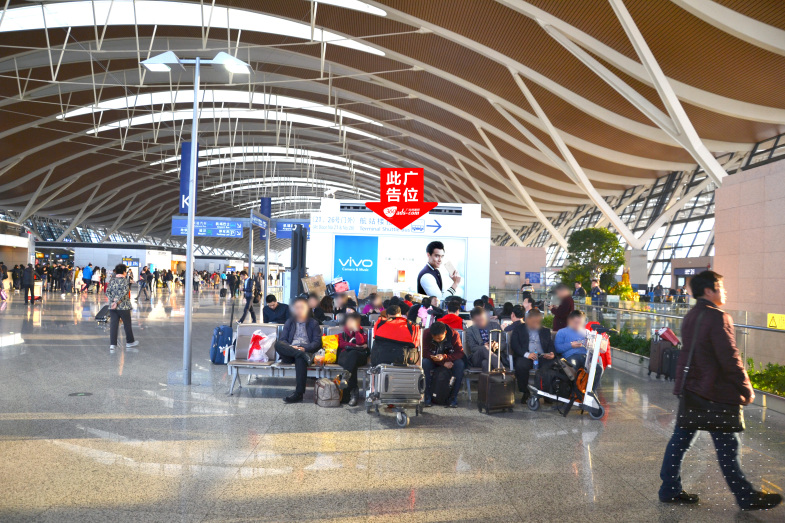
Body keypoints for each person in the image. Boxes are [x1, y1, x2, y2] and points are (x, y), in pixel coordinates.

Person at [658, 271, 782, 510]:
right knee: (727, 447)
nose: (724, 292)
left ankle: (669, 489)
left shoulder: (691, 315)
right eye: (721, 287)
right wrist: (745, 387)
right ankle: (745, 497)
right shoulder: (718, 317)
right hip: (714, 393)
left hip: (691, 390)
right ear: (709, 290)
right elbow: (729, 357)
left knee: (680, 441)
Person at [274, 297, 322, 403]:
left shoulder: (313, 323)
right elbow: (283, 340)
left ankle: (299, 394)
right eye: (297, 308)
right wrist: (292, 347)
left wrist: (304, 348)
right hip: (290, 352)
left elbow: (317, 342)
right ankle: (301, 354)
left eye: (302, 307)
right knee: (278, 344)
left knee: (300, 358)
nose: (299, 310)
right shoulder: (290, 322)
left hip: (305, 351)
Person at [510, 309, 555, 401]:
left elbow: (550, 345)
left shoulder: (545, 331)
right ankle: (525, 391)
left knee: (549, 367)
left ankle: (546, 393)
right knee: (521, 365)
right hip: (526, 355)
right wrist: (527, 354)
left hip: (542, 356)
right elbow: (515, 345)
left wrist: (551, 354)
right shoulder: (519, 329)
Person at [554, 310, 603, 390]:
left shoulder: (587, 332)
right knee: (572, 367)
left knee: (598, 368)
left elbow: (593, 348)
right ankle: (574, 392)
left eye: (580, 323)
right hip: (570, 356)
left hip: (585, 357)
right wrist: (571, 345)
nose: (578, 325)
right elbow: (557, 348)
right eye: (575, 322)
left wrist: (591, 345)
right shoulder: (562, 332)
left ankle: (591, 391)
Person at [422, 321, 465, 408]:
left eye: (440, 338)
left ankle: (453, 398)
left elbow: (460, 353)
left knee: (460, 364)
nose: (437, 340)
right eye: (435, 338)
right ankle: (427, 397)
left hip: (449, 359)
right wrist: (442, 362)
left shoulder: (454, 334)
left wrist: (445, 357)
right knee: (424, 363)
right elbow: (424, 352)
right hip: (433, 360)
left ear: (445, 332)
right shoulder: (426, 333)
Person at [336, 312, 369, 406]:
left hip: (359, 356)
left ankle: (346, 389)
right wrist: (355, 346)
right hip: (344, 357)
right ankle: (354, 393)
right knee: (351, 363)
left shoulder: (362, 332)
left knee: (353, 354)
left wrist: (356, 331)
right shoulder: (343, 333)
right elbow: (341, 344)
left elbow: (361, 341)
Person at [105, 264, 139, 353]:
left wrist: (113, 301)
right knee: (127, 324)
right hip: (124, 306)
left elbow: (107, 292)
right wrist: (117, 301)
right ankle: (129, 342)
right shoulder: (125, 281)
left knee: (113, 325)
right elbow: (124, 292)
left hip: (113, 307)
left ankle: (112, 344)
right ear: (124, 272)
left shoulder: (112, 280)